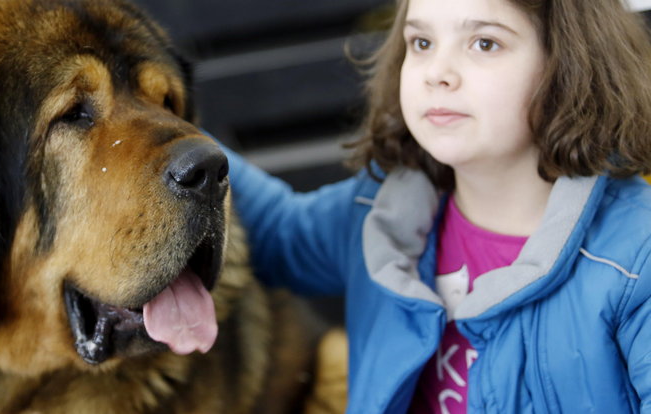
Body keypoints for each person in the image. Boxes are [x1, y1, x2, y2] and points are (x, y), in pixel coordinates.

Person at [220, 0, 651, 412]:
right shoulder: (378, 209)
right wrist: (164, 127)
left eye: (485, 43)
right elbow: (279, 234)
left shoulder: (637, 259)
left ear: (570, 65)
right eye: (421, 43)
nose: (437, 74)